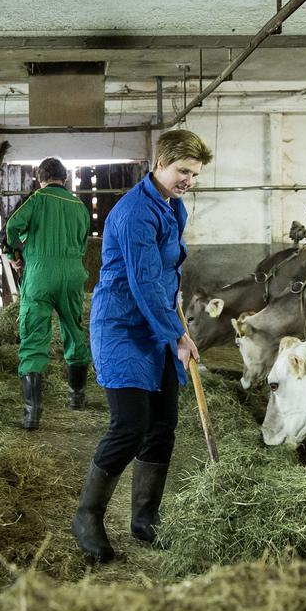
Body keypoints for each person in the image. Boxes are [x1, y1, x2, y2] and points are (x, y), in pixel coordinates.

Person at [72, 129, 212, 562]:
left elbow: (167, 275)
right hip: (122, 327)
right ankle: (87, 517)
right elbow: (144, 281)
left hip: (160, 322)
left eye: (195, 174)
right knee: (129, 426)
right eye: (183, 171)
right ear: (161, 163)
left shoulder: (174, 207)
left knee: (163, 424)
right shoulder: (135, 213)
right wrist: (178, 337)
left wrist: (176, 327)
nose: (189, 179)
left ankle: (144, 518)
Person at [3, 157, 93, 430]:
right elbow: (83, 240)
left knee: (34, 337)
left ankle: (33, 414)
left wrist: (14, 254)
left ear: (40, 178)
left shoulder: (36, 199)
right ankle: (76, 397)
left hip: (40, 274)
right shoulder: (80, 206)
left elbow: (10, 228)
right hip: (72, 275)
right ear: (64, 178)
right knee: (74, 330)